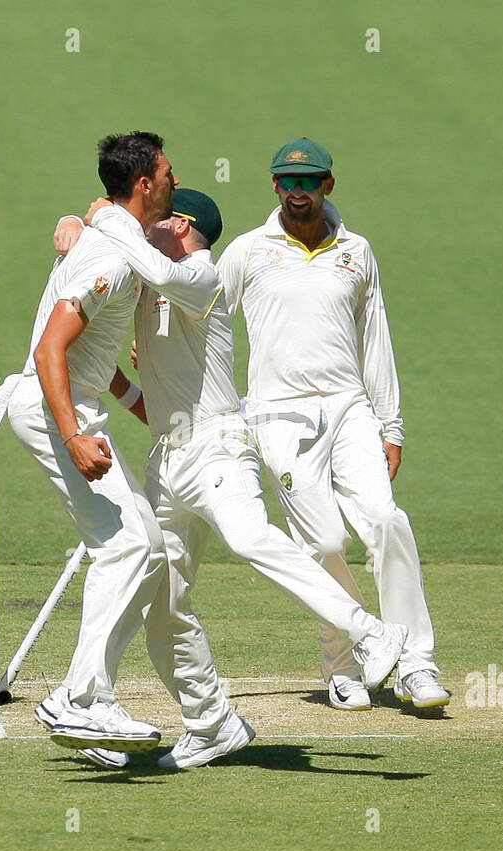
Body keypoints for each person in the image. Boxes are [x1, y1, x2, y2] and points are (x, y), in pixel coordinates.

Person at [53, 188, 407, 766]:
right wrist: (74, 226)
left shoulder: (200, 276)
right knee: (161, 598)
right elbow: (151, 399)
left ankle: (369, 632)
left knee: (250, 537)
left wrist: (98, 219)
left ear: (183, 226)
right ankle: (205, 721)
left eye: (157, 220)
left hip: (219, 448)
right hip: (166, 460)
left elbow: (140, 257)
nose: (146, 226)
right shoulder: (155, 279)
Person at [215, 137, 450, 713]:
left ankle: (416, 662)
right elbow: (205, 312)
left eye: (309, 181)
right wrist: (160, 346)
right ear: (274, 187)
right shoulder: (249, 251)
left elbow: (377, 342)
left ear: (328, 184)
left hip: (350, 410)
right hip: (277, 414)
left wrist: (391, 426)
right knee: (322, 542)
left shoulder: (357, 252)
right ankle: (342, 663)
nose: (298, 192)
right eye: (288, 182)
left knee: (386, 520)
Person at [0, 131, 179, 768]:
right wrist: (72, 432)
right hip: (50, 409)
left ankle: (89, 709)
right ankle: (81, 697)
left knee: (141, 547)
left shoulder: (117, 240)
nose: (175, 182)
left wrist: (136, 405)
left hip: (71, 405)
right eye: (168, 174)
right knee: (129, 544)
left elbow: (90, 358)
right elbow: (50, 350)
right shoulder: (115, 258)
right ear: (144, 183)